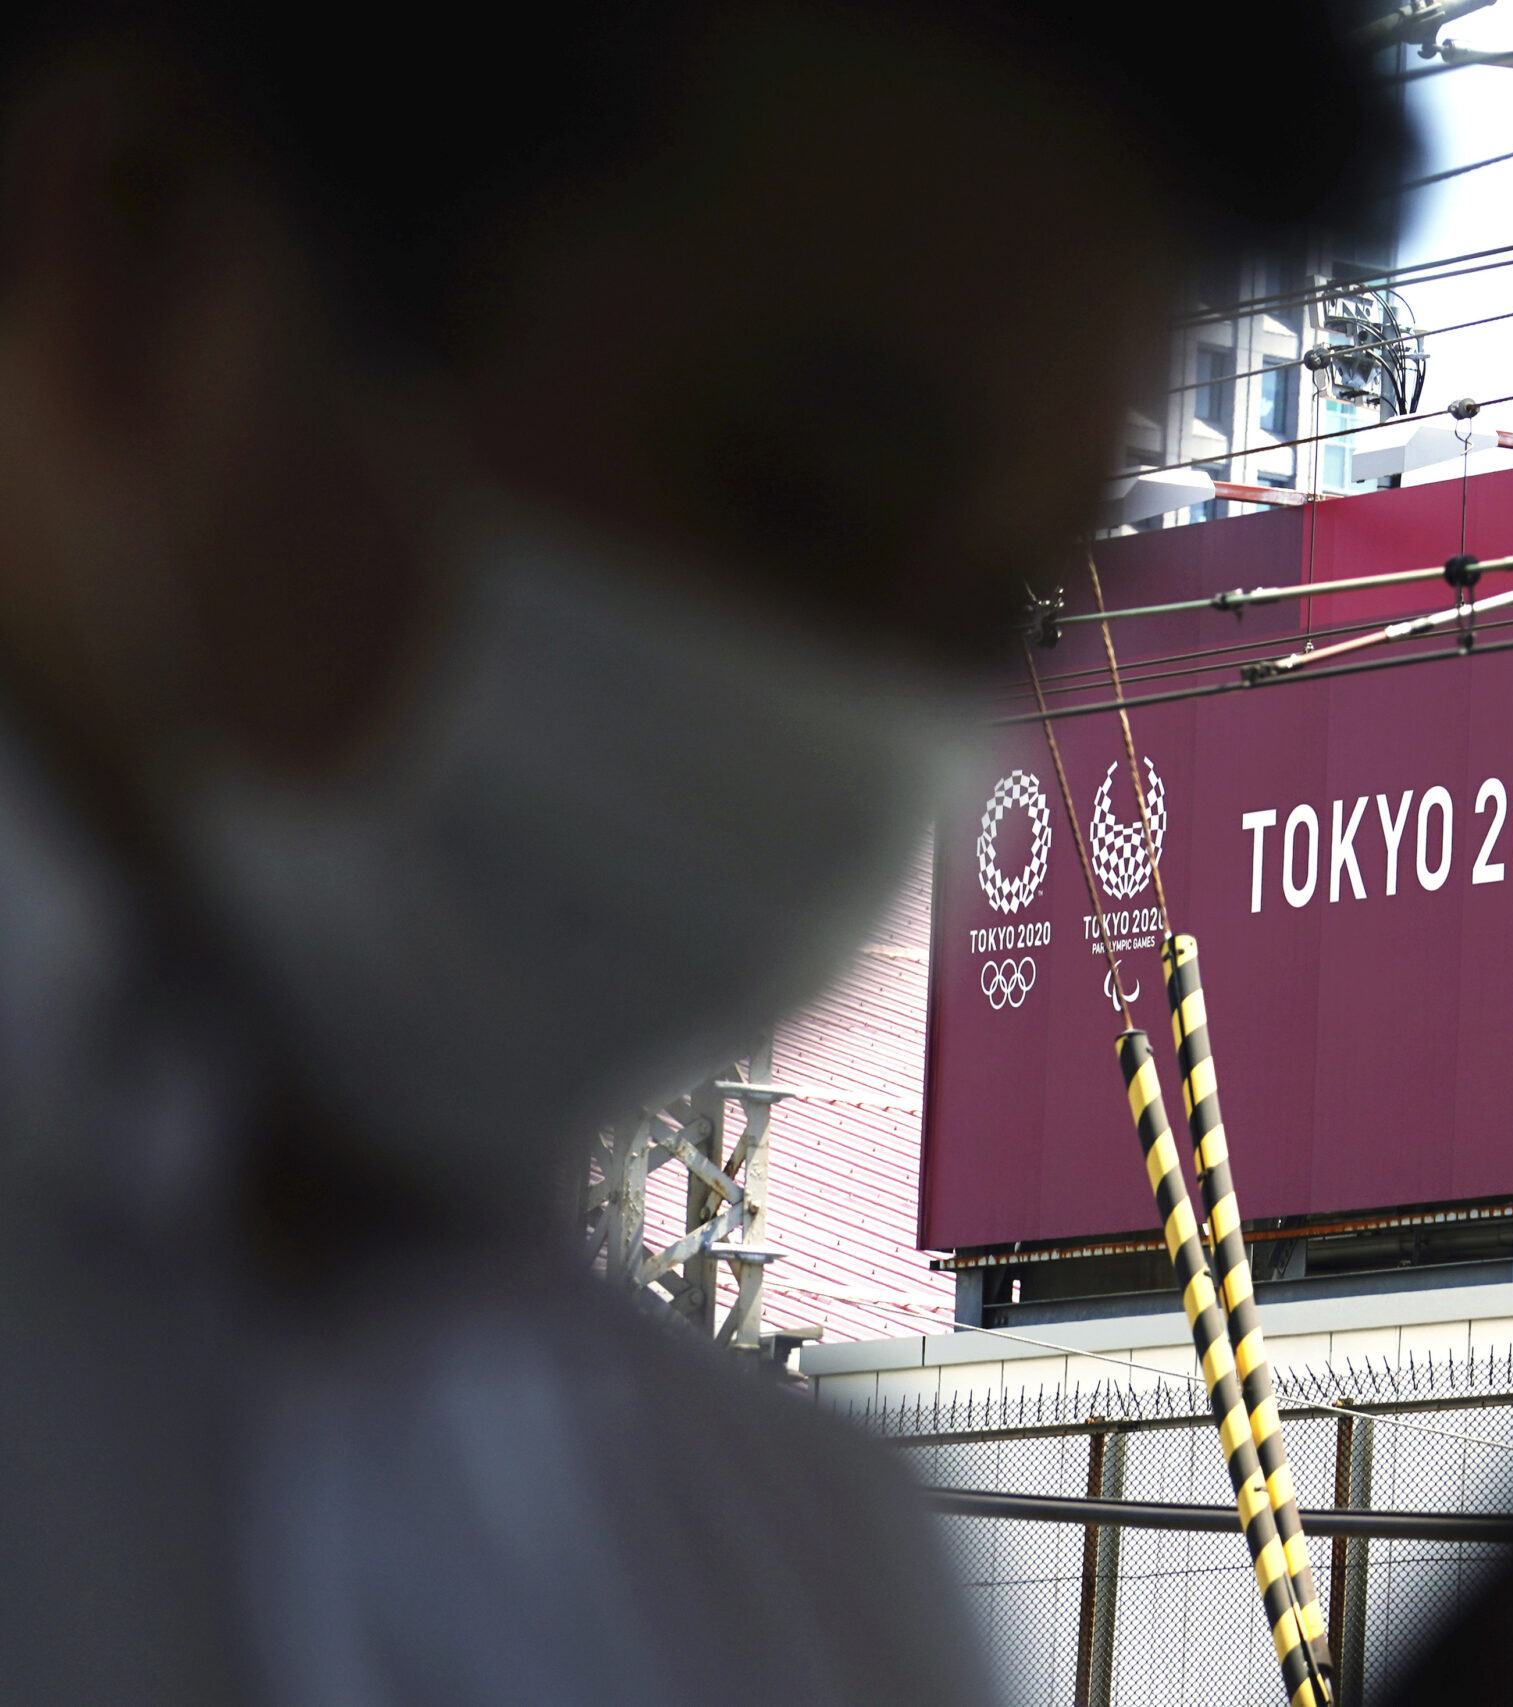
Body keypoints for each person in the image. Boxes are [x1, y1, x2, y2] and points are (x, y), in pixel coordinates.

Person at [0, 4, 1403, 1701]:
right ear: (140, 274)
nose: (850, 734)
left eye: (982, 615)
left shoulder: (781, 1558)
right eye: (802, 497)